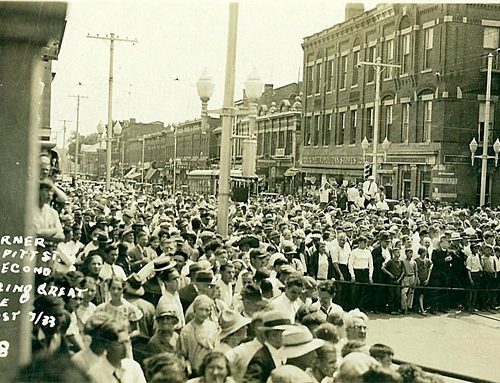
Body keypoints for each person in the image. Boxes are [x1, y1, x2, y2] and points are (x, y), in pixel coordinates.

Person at [86, 318, 147, 383]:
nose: (125, 347)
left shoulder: (133, 367)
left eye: (127, 342)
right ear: (107, 345)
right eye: (120, 344)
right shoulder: (95, 375)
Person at [243, 310, 293, 383]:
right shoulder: (260, 360)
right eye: (285, 332)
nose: (289, 335)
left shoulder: (282, 355)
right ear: (273, 335)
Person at [178, 294, 219, 377]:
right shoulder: (186, 331)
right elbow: (182, 354)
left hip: (210, 370)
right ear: (195, 310)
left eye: (207, 310)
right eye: (201, 309)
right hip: (194, 372)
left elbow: (216, 349)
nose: (204, 313)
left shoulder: (213, 327)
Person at [415, 247, 432, 316]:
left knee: (424, 294)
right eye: (423, 252)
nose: (424, 254)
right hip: (419, 279)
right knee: (420, 294)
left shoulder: (427, 261)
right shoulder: (416, 260)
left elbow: (429, 270)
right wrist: (417, 279)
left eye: (425, 252)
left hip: (425, 279)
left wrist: (428, 279)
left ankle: (422, 307)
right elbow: (416, 271)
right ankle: (421, 309)